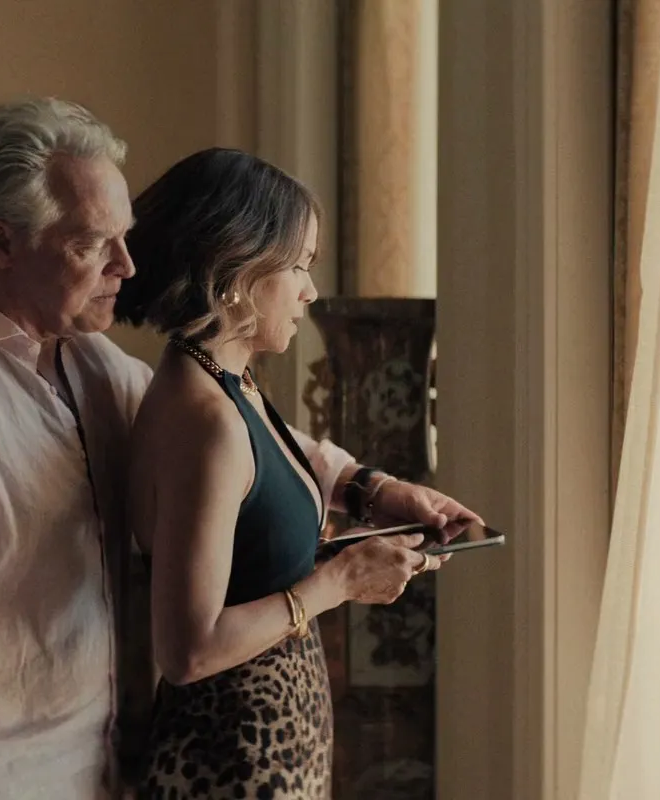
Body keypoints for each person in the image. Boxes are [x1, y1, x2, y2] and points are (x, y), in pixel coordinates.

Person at [0, 97, 481, 800]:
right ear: (2, 243)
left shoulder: (90, 363)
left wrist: (370, 488)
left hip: (98, 776)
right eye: (91, 244)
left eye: (125, 237)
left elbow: (240, 444)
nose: (128, 266)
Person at [116, 148, 461, 799]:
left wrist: (375, 496)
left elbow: (257, 535)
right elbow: (188, 650)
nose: (309, 291)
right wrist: (342, 580)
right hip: (232, 766)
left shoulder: (228, 384)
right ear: (238, 267)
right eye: (299, 265)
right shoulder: (207, 422)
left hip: (263, 753)